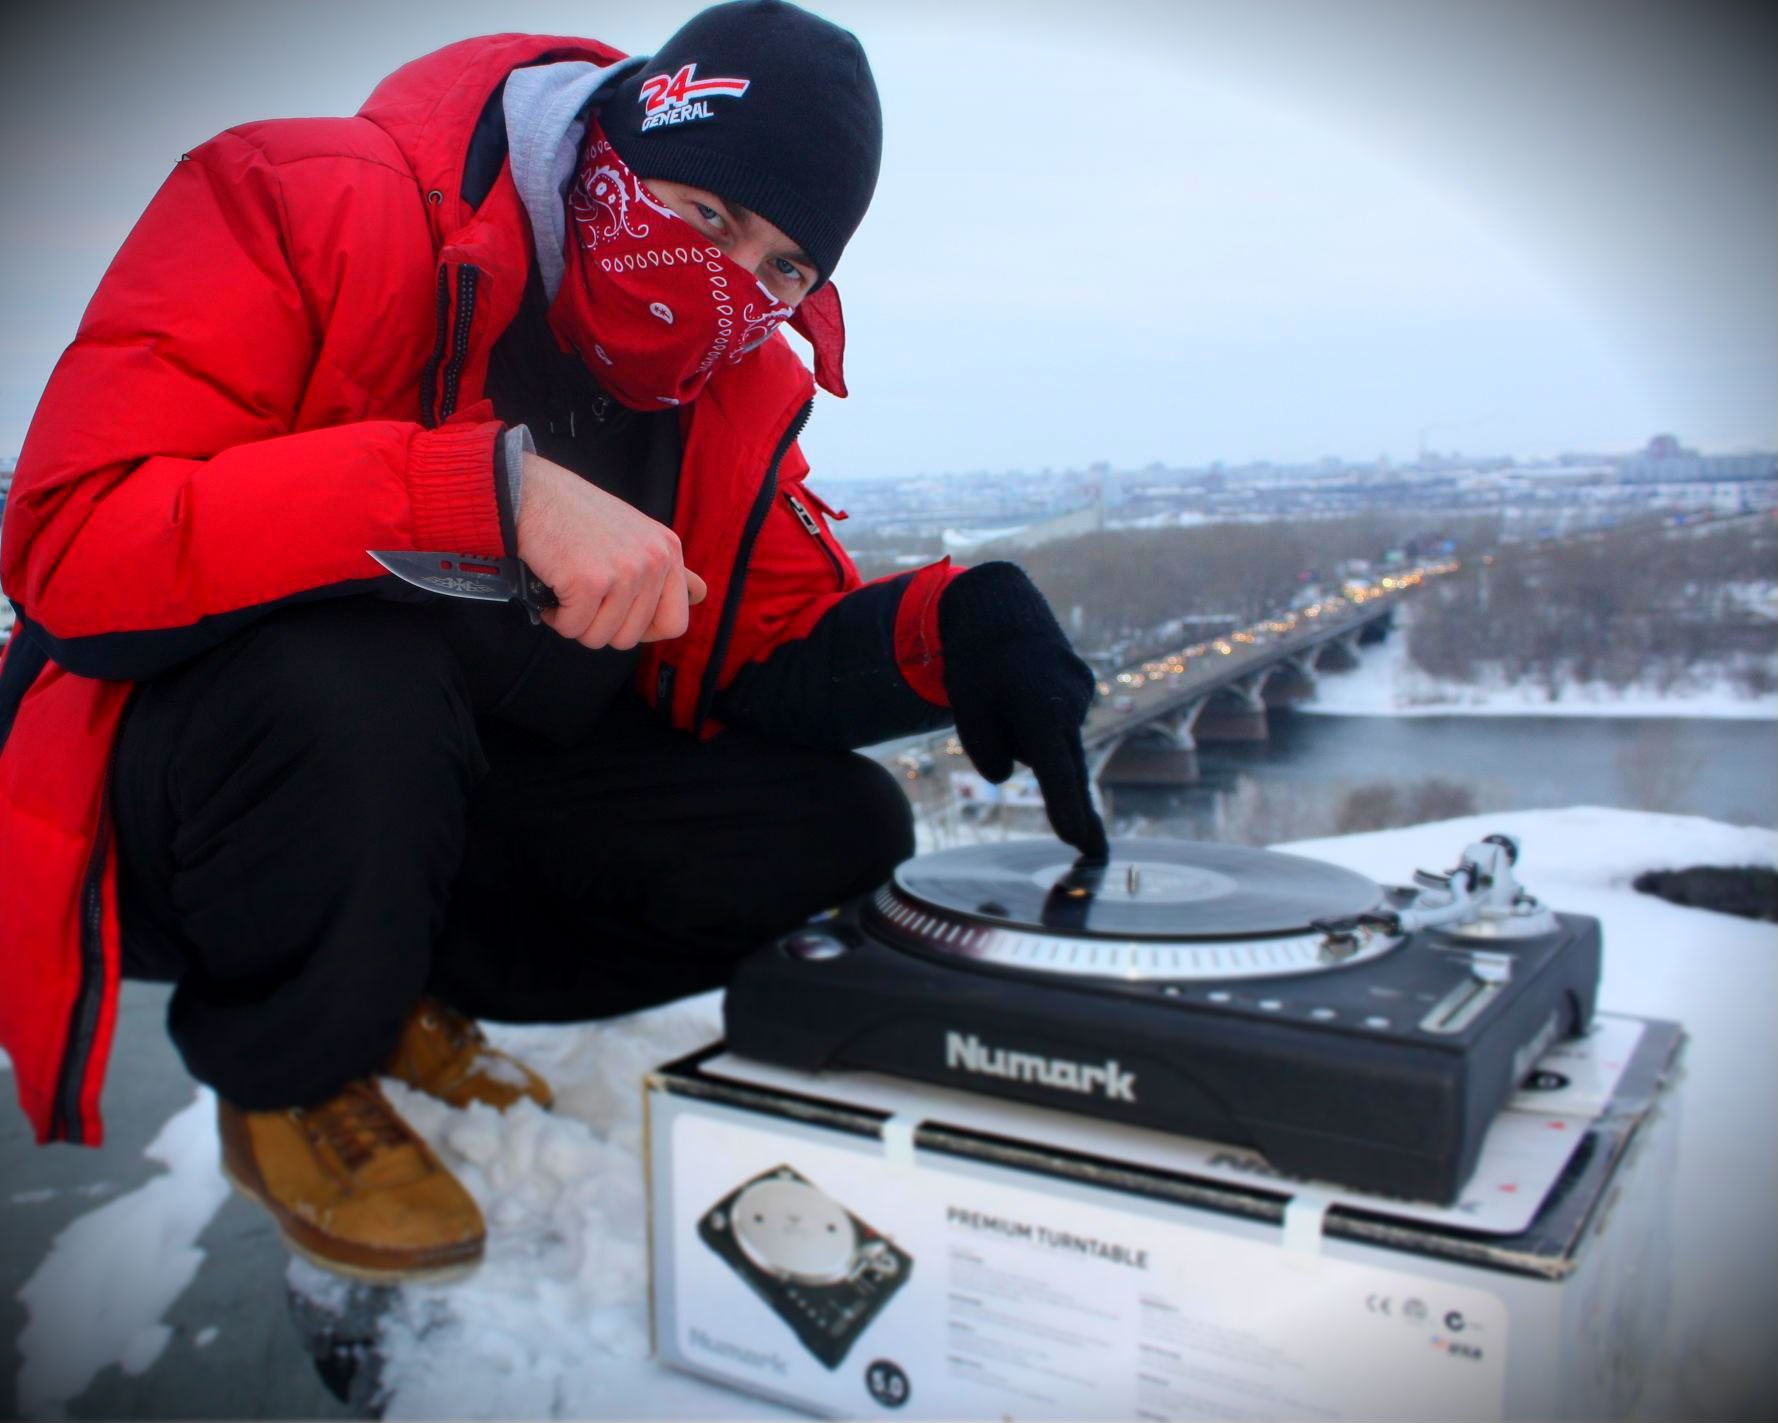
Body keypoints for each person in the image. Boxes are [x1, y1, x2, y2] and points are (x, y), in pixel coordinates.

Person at [0, 0, 1106, 1282]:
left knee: (839, 825)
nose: (731, 281)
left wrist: (951, 632)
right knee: (357, 671)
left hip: (444, 806)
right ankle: (291, 1073)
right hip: (189, 801)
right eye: (706, 215)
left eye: (784, 269)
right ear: (614, 145)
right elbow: (72, 543)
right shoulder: (304, 200)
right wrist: (486, 494)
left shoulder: (723, 383)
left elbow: (747, 645)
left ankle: (389, 987)